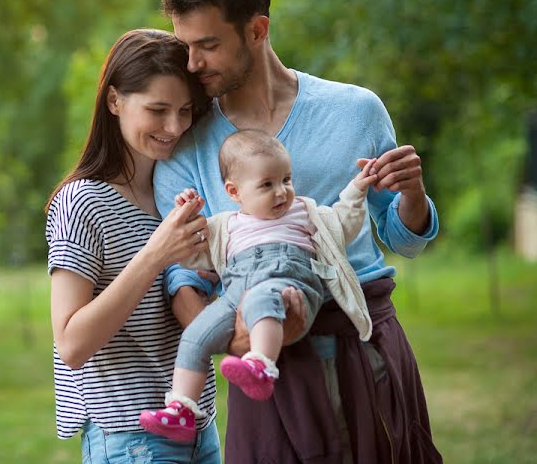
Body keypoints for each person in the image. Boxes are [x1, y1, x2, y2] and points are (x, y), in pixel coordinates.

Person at [154, 0, 443, 463]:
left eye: (208, 45)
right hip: (266, 365)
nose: (192, 63)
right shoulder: (185, 147)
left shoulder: (355, 110)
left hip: (362, 343)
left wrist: (413, 197)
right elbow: (184, 278)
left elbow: (402, 238)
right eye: (186, 47)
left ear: (257, 30)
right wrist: (246, 346)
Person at [45, 28, 223, 463]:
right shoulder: (82, 202)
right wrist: (156, 254)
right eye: (158, 110)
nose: (175, 127)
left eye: (184, 111)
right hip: (132, 439)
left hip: (199, 426)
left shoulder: (176, 194)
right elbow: (71, 344)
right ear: (114, 101)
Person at [140, 129, 378, 442]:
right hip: (234, 295)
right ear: (234, 192)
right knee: (196, 335)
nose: (281, 192)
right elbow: (190, 254)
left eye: (286, 180)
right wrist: (186, 214)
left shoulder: (304, 212)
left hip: (287, 284)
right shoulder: (223, 226)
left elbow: (342, 226)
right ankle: (182, 409)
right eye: (267, 184)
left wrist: (356, 191)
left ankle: (262, 366)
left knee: (260, 299)